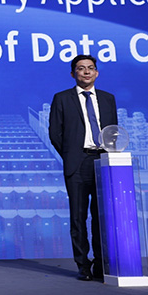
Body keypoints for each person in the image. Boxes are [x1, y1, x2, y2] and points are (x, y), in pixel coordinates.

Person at [48, 54, 118, 281]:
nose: (86, 72)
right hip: (77, 164)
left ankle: (101, 263)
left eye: (90, 68)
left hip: (102, 162)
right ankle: (83, 264)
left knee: (101, 217)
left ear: (96, 72)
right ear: (73, 74)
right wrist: (71, 156)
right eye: (81, 68)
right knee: (78, 217)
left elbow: (113, 131)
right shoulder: (62, 98)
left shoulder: (108, 99)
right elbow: (55, 133)